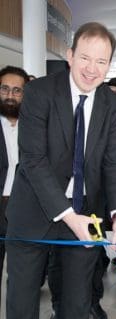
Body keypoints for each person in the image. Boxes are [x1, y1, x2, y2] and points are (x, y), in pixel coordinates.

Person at [3, 22, 116, 319]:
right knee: (21, 307)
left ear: (109, 65)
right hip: (33, 213)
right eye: (85, 58)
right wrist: (68, 216)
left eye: (101, 62)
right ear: (70, 55)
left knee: (77, 307)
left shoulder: (114, 106)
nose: (92, 69)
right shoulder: (40, 92)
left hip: (86, 216)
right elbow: (33, 160)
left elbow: (115, 163)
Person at [0, 65, 30, 306]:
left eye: (17, 90)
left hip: (24, 210)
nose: (10, 95)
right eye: (5, 89)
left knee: (21, 281)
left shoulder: (34, 126)